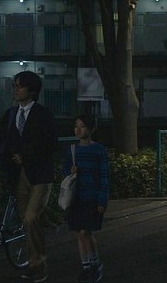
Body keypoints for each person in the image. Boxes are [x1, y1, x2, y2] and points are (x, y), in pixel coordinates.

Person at [1, 70, 57, 282]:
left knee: (32, 217)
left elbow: (50, 142)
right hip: (19, 175)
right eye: (15, 85)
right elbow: (1, 137)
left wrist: (25, 154)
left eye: (20, 86)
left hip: (40, 174)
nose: (16, 89)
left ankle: (39, 265)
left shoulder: (43, 114)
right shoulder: (11, 114)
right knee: (28, 221)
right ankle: (35, 262)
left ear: (32, 90)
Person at [63, 114, 110, 283]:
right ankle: (87, 266)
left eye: (82, 126)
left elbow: (104, 176)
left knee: (85, 232)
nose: (78, 129)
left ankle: (94, 264)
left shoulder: (99, 150)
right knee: (81, 233)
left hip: (91, 197)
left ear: (91, 129)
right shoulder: (72, 150)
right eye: (76, 126)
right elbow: (65, 171)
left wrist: (102, 199)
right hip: (76, 197)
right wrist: (70, 170)